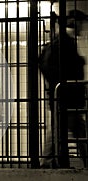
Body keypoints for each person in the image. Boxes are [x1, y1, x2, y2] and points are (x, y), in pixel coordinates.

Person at [39, 10, 87, 168]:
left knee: (59, 130)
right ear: (73, 22)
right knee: (72, 131)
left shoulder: (63, 42)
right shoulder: (62, 43)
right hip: (66, 96)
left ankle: (49, 162)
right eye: (81, 23)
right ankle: (49, 162)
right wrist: (63, 84)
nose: (82, 27)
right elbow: (48, 67)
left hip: (66, 96)